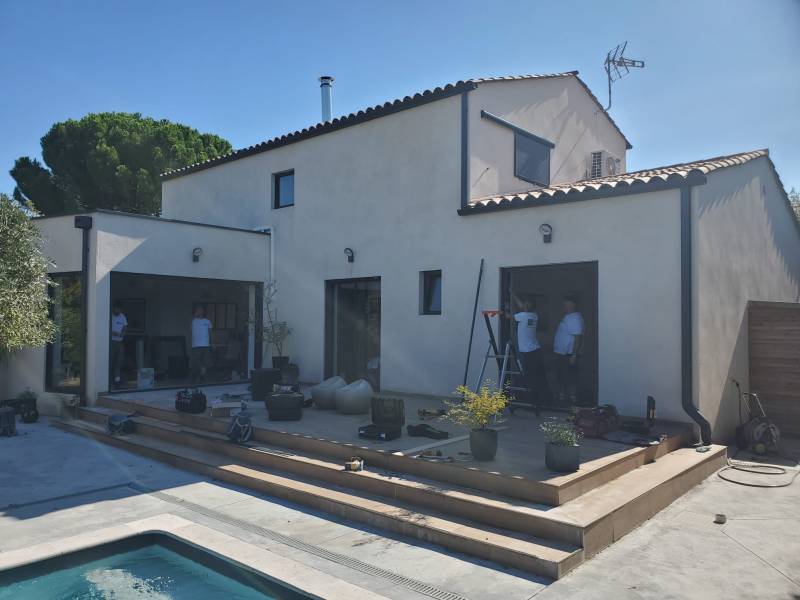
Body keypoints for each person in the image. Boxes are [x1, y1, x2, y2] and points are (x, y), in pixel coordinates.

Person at [503, 294, 549, 407]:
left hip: (528, 353)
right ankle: (544, 401)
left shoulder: (523, 316)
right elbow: (522, 307)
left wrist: (506, 307)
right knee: (539, 376)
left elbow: (508, 316)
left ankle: (533, 401)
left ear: (527, 306)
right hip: (535, 350)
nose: (523, 305)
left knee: (530, 377)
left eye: (526, 304)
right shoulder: (534, 316)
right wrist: (513, 295)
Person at [553, 294, 584, 405]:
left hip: (569, 355)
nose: (564, 306)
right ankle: (562, 397)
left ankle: (572, 399)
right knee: (561, 376)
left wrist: (574, 355)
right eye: (564, 304)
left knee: (571, 377)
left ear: (572, 305)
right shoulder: (569, 317)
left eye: (566, 304)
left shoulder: (575, 318)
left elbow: (577, 338)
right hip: (562, 354)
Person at [190, 305, 213, 384]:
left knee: (205, 361)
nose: (200, 311)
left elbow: (210, 333)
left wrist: (212, 343)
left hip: (206, 344)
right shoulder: (193, 321)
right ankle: (197, 376)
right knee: (196, 361)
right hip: (196, 345)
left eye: (201, 309)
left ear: (204, 311)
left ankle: (201, 376)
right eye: (198, 310)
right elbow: (192, 331)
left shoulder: (207, 321)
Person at [110, 303, 128, 388]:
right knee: (111, 361)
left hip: (120, 342)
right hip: (111, 342)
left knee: (119, 361)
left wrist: (123, 333)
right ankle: (109, 381)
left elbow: (125, 326)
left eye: (120, 309)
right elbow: (105, 328)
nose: (119, 311)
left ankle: (117, 381)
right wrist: (113, 333)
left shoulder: (122, 316)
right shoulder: (110, 316)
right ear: (114, 308)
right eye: (118, 309)